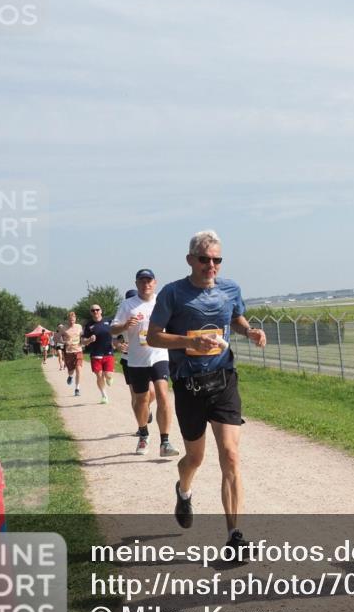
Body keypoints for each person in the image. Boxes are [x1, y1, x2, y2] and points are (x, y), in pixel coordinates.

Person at [147, 229, 266, 556]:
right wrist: (188, 341)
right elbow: (154, 337)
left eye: (216, 260)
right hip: (189, 385)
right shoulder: (172, 294)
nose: (211, 265)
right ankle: (184, 491)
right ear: (190, 260)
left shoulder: (230, 289)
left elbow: (237, 318)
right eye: (204, 259)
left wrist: (250, 331)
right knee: (195, 459)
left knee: (230, 455)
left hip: (223, 379)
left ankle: (235, 536)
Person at [112, 271, 178, 457]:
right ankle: (143, 433)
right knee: (141, 400)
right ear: (137, 283)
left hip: (159, 355)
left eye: (149, 281)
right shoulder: (127, 305)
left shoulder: (161, 301)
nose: (145, 284)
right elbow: (112, 328)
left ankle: (165, 441)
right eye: (142, 281)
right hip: (136, 359)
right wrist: (124, 326)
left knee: (163, 395)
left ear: (155, 283)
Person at [117, 290, 156, 434]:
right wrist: (119, 345)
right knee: (136, 396)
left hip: (148, 357)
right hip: (129, 360)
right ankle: (141, 427)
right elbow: (115, 337)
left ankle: (146, 408)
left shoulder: (146, 315)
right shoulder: (123, 316)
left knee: (152, 392)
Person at [83, 303, 116, 404]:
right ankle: (104, 395)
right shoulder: (88, 325)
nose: (95, 312)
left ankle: (109, 378)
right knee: (99, 375)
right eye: (93, 310)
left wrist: (116, 343)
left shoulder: (108, 321)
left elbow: (116, 333)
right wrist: (89, 340)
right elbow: (83, 341)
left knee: (108, 375)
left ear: (101, 311)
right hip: (95, 354)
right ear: (91, 313)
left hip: (108, 352)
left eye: (97, 310)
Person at [62, 311, 84, 396]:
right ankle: (70, 376)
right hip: (69, 352)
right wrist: (64, 342)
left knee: (78, 369)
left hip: (78, 350)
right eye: (70, 319)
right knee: (71, 371)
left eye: (73, 319)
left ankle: (77, 389)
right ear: (68, 319)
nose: (72, 321)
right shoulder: (64, 328)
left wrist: (84, 340)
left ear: (75, 319)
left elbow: (82, 336)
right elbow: (58, 338)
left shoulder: (79, 327)